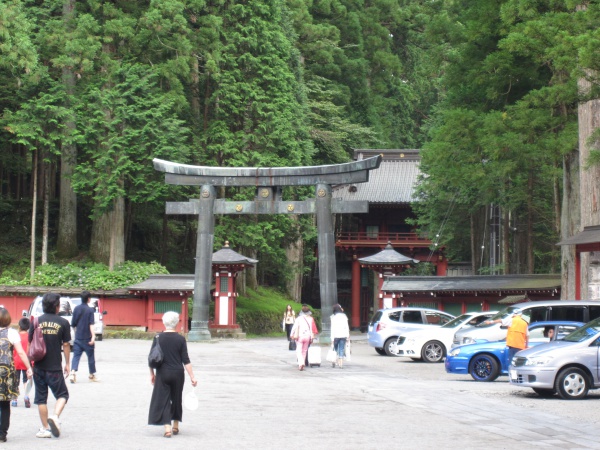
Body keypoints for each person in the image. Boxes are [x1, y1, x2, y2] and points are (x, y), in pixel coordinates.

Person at [148, 311, 198, 438]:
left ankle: (167, 428)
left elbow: (152, 358)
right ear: (176, 323)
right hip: (178, 373)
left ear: (164, 322)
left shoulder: (158, 338)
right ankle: (176, 424)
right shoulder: (181, 339)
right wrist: (192, 376)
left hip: (163, 372)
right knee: (176, 397)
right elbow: (186, 360)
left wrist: (152, 374)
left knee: (164, 399)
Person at [29, 292, 71, 439]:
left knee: (41, 398)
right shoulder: (63, 322)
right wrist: (67, 363)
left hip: (39, 366)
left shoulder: (35, 321)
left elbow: (30, 344)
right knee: (63, 394)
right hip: (54, 367)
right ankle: (55, 416)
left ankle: (45, 429)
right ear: (57, 306)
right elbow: (66, 344)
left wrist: (29, 365)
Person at [0, 308, 33, 442]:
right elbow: (20, 352)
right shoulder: (12, 333)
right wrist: (28, 367)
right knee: (5, 403)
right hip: (7, 370)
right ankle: (2, 433)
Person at [69, 291, 99, 383]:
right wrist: (93, 336)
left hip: (78, 338)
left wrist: (76, 333)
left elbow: (73, 324)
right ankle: (91, 374)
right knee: (90, 357)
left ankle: (73, 372)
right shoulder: (90, 310)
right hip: (87, 338)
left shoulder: (76, 309)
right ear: (88, 299)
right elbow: (91, 324)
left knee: (76, 356)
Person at [289, 304, 317, 371]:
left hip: (300, 336)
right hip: (307, 336)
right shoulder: (310, 319)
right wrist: (312, 337)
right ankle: (303, 363)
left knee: (299, 351)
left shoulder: (298, 319)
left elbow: (294, 327)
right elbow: (311, 329)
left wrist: (291, 334)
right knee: (304, 351)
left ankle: (300, 363)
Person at [11, 317, 31, 408]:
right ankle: (26, 396)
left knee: (16, 380)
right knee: (26, 380)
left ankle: (15, 399)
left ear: (19, 326)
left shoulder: (16, 336)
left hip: (16, 361)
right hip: (26, 361)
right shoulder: (29, 336)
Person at [330, 304, 350, 369]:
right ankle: (341, 364)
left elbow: (332, 328)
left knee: (334, 348)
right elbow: (347, 327)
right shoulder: (344, 316)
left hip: (336, 335)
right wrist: (347, 335)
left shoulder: (333, 317)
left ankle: (333, 360)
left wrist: (332, 338)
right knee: (341, 349)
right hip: (343, 335)